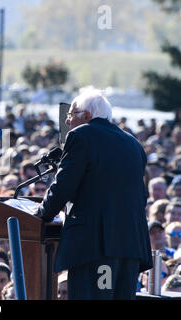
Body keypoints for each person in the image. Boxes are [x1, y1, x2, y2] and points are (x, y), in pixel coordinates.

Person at [36, 89, 152, 299]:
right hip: (130, 248)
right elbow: (141, 197)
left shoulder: (81, 135)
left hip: (97, 248)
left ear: (86, 116)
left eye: (71, 115)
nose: (68, 122)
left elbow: (63, 186)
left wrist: (41, 215)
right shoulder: (133, 143)